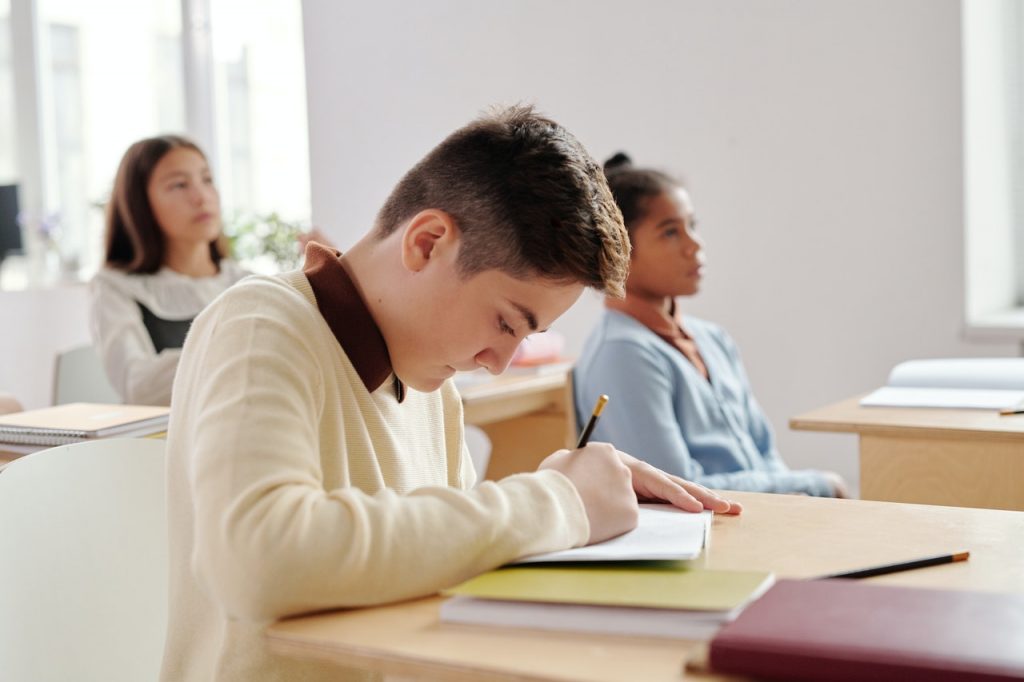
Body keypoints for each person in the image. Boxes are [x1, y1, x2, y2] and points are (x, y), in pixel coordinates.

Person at [160, 107, 742, 682]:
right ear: (428, 242)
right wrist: (557, 501)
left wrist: (568, 509)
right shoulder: (262, 324)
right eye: (507, 323)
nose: (498, 364)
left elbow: (434, 566)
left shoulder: (426, 380)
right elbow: (257, 562)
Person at [574, 153, 848, 498]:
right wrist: (815, 487)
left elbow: (765, 455)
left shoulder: (713, 340)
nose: (695, 244)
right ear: (620, 250)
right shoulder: (622, 354)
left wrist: (801, 497)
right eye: (671, 232)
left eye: (692, 225)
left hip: (761, 516)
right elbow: (674, 488)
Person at [90, 135, 330, 406]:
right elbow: (138, 387)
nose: (201, 197)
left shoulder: (246, 281)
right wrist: (244, 344)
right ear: (140, 204)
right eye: (179, 184)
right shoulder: (115, 286)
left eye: (207, 180)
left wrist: (328, 283)